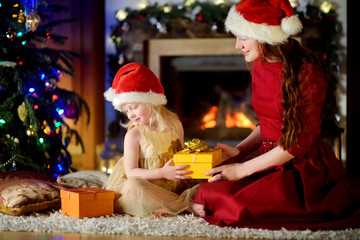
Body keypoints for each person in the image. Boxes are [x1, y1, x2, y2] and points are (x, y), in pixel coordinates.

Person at [192, 0, 360, 230]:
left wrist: (243, 169)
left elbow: (297, 144)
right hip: (266, 158)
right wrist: (239, 152)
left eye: (243, 37)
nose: (236, 45)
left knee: (235, 207)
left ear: (264, 36)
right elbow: (267, 123)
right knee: (209, 190)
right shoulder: (259, 64)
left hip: (299, 167)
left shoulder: (307, 73)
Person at [104, 63, 202, 216]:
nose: (130, 115)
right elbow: (131, 173)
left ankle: (164, 205)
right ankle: (185, 205)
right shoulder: (134, 134)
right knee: (134, 185)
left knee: (205, 181)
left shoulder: (175, 124)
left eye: (134, 107)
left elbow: (183, 153)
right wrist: (162, 172)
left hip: (172, 181)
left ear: (152, 101)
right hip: (146, 183)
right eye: (126, 110)